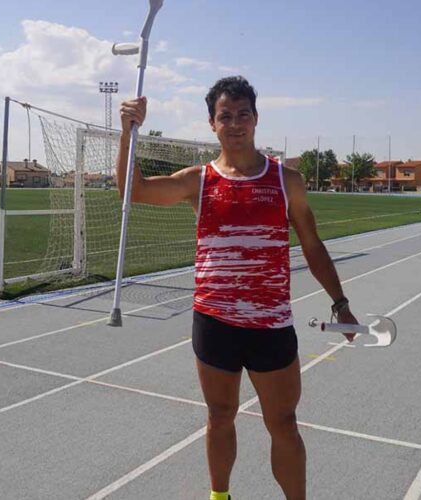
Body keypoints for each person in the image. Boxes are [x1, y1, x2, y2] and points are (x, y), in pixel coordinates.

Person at [116, 76, 358, 500]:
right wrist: (127, 132)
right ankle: (219, 497)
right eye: (224, 116)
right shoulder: (200, 180)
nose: (235, 123)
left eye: (242, 114)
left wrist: (340, 304)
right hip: (215, 323)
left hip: (271, 324)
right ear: (212, 124)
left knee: (283, 423)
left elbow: (312, 245)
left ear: (256, 119)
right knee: (220, 416)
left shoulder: (287, 181)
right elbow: (132, 191)